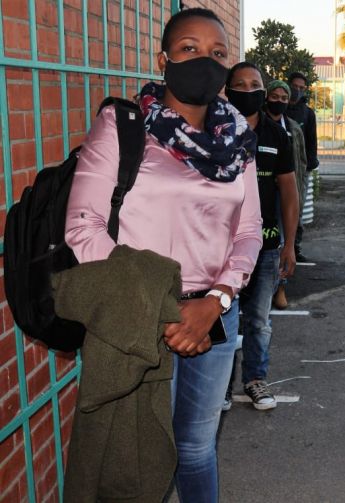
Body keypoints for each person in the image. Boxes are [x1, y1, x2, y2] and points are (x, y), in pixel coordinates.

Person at [65, 8, 263, 503]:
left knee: (196, 449)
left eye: (218, 53)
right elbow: (83, 225)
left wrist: (217, 299)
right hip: (139, 317)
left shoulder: (239, 140)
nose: (205, 60)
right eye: (189, 49)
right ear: (164, 59)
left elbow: (250, 231)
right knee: (135, 453)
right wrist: (160, 306)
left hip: (215, 315)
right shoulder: (124, 125)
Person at [224, 63, 299, 410]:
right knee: (221, 319)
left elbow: (289, 191)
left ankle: (255, 380)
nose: (247, 89)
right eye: (239, 84)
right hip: (220, 250)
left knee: (258, 321)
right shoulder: (214, 131)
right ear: (227, 89)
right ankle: (220, 387)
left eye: (254, 84)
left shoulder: (277, 135)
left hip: (266, 248)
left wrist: (289, 245)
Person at [264, 79, 308, 310]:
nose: (279, 101)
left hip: (286, 195)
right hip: (263, 195)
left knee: (283, 241)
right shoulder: (255, 125)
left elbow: (301, 163)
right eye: (275, 96)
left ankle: (280, 287)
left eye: (283, 98)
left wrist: (299, 192)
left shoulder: (294, 129)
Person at [286, 71, 319, 262]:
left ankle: (294, 248)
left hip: (300, 170)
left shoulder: (307, 113)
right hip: (280, 167)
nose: (297, 90)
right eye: (295, 86)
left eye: (301, 88)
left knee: (296, 209)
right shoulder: (278, 109)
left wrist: (309, 166)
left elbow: (311, 143)